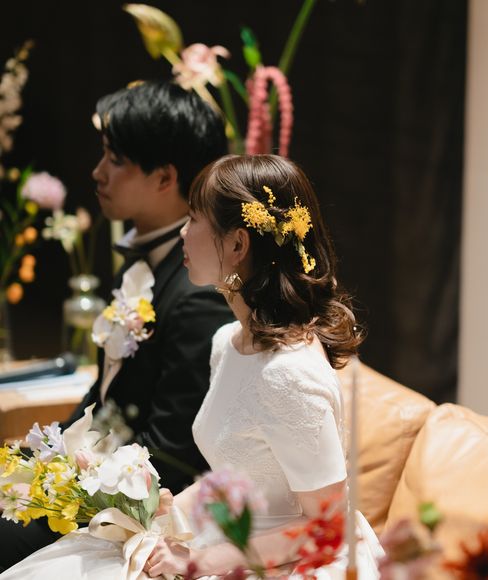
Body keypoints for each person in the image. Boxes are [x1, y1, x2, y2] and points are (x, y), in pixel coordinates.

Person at [0, 154, 383, 579]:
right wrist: (164, 508)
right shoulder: (228, 342)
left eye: (195, 219)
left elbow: (330, 525)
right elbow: (238, 473)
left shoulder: (287, 374)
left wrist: (202, 560)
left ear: (237, 245)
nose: (183, 232)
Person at [0, 80, 233, 572]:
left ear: (165, 177)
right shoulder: (145, 261)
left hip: (136, 509)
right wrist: (37, 462)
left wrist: (65, 488)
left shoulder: (199, 296)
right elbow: (106, 399)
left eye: (115, 159)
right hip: (93, 474)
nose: (97, 172)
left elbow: (174, 453)